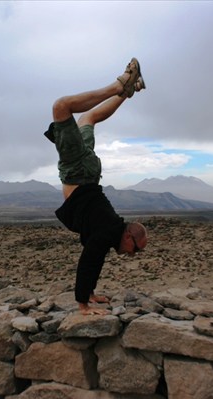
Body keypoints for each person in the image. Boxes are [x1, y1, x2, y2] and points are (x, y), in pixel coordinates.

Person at [44, 57, 148, 315]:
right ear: (128, 237)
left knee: (88, 118)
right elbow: (88, 262)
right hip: (79, 171)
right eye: (134, 250)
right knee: (62, 106)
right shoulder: (107, 230)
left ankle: (129, 91)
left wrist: (90, 293)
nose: (131, 255)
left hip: (89, 172)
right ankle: (118, 86)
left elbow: (95, 259)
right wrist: (83, 305)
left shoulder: (110, 231)